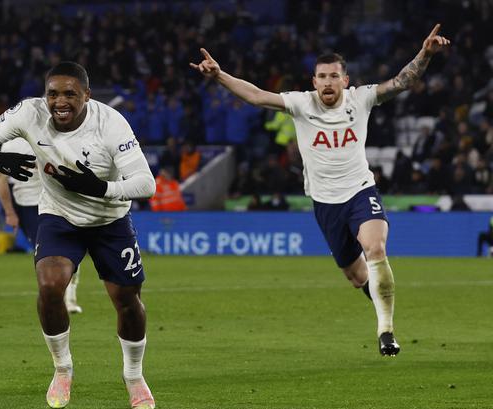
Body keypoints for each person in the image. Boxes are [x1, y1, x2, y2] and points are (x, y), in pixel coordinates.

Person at [191, 24, 451, 356]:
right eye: (322, 77)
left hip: (361, 192)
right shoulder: (301, 104)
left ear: (345, 80)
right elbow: (256, 96)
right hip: (325, 204)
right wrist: (219, 75)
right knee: (358, 277)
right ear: (314, 82)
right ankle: (382, 303)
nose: (327, 82)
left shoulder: (362, 98)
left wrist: (425, 54)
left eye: (333, 76)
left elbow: (402, 81)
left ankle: (386, 330)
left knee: (375, 247)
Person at [0, 62, 156, 409]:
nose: (60, 101)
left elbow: (146, 184)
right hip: (59, 215)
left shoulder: (111, 124)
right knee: (51, 286)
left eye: (70, 94)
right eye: (53, 93)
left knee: (127, 301)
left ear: (87, 96)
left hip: (110, 221)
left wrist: (101, 187)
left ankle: (133, 375)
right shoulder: (29, 112)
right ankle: (62, 369)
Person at [0, 137, 83, 314]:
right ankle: (55, 297)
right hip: (28, 205)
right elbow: (1, 180)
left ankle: (70, 298)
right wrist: (10, 212)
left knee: (70, 248)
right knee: (47, 255)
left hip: (55, 200)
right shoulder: (11, 145)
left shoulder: (51, 135)